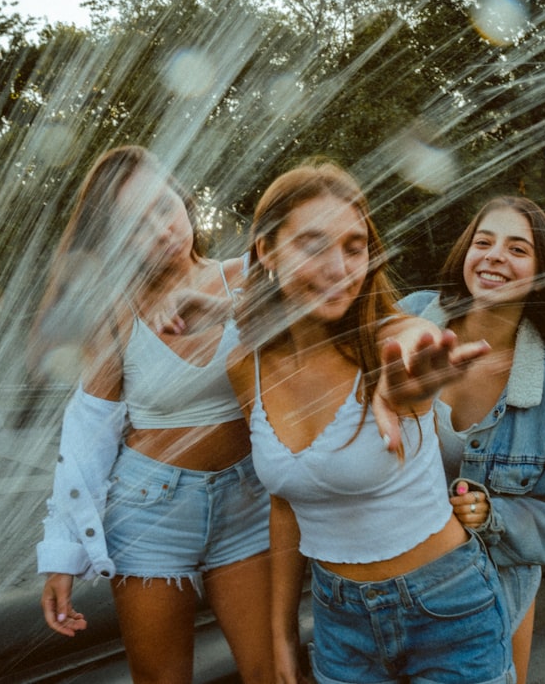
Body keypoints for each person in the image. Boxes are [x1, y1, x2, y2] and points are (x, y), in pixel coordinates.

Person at [227, 157, 515, 684]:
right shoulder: (247, 368)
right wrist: (281, 634)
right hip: (339, 625)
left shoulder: (392, 337)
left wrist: (407, 384)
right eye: (313, 245)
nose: (339, 270)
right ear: (266, 250)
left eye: (353, 247)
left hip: (448, 609)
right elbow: (284, 504)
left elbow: (411, 344)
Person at [31, 145, 272, 684]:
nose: (162, 230)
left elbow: (317, 306)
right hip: (149, 515)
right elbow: (89, 430)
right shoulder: (118, 311)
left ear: (184, 201)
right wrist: (62, 552)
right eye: (136, 226)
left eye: (165, 208)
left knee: (274, 673)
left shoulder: (247, 277)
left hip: (248, 504)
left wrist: (219, 306)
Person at [398, 195, 545, 684]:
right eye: (484, 242)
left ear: (542, 273)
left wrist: (491, 513)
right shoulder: (409, 321)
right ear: (465, 255)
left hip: (489, 591)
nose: (495, 255)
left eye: (518, 249)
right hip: (385, 588)